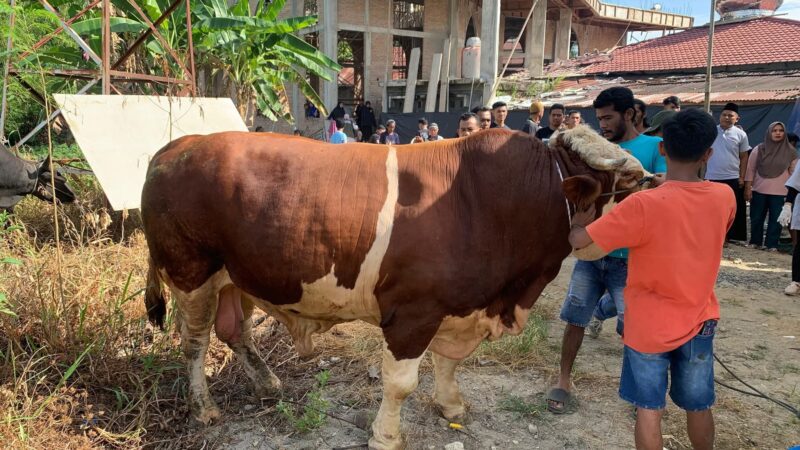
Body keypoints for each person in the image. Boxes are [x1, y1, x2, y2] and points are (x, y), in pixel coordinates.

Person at [569, 108, 731, 450]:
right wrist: (669, 188)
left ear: (661, 149)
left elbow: (581, 242)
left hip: (647, 326)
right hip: (700, 320)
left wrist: (578, 220)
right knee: (699, 406)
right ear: (708, 154)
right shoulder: (724, 197)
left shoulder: (642, 205)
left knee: (649, 410)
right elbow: (689, 207)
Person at [548, 87, 667, 412]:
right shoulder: (596, 149)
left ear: (630, 114)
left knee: (633, 328)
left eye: (608, 117)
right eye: (598, 118)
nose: (602, 125)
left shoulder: (654, 147)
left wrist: (658, 183)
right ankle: (563, 380)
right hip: (591, 251)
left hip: (632, 258)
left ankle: (640, 394)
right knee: (575, 317)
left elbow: (670, 190)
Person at [744, 122, 797, 251]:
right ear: (769, 132)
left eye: (780, 130)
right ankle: (755, 242)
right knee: (756, 217)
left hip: (781, 192)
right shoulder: (759, 149)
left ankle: (771, 244)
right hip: (759, 190)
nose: (778, 133)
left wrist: (791, 194)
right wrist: (748, 188)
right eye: (774, 130)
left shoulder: (791, 152)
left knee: (776, 220)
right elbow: (750, 169)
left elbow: (794, 174)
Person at [706, 102, 750, 244]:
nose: (726, 117)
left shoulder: (741, 135)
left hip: (732, 177)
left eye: (730, 115)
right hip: (712, 177)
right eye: (724, 115)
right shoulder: (711, 131)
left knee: (731, 209)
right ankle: (712, 235)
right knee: (712, 209)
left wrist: (742, 177)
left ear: (737, 118)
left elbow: (744, 157)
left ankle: (729, 237)